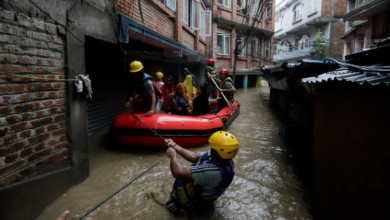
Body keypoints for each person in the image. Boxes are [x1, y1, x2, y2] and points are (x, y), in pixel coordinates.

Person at [164, 131, 239, 215]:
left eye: (212, 147)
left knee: (170, 206)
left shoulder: (211, 172)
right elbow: (195, 157)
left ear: (217, 151)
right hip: (202, 194)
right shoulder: (224, 159)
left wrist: (173, 155)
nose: (211, 148)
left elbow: (177, 172)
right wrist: (174, 145)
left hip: (191, 202)